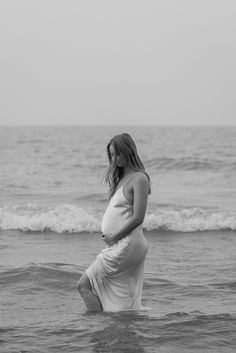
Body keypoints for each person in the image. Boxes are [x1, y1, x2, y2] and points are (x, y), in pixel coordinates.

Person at [77, 133, 151, 312]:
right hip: (119, 244)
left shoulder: (139, 178)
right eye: (111, 155)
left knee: (83, 284)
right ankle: (115, 325)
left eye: (117, 154)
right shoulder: (122, 178)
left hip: (127, 244)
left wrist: (114, 237)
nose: (114, 159)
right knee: (120, 298)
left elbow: (138, 217)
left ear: (128, 152)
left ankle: (97, 324)